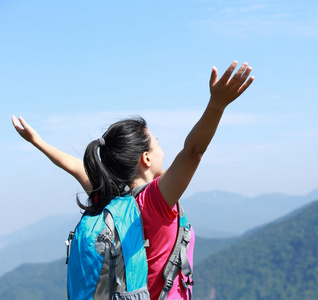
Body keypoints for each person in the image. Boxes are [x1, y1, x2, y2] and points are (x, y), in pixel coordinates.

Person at [12, 61, 254, 300]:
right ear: (146, 158)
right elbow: (193, 151)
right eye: (156, 141)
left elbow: (77, 168)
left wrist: (38, 142)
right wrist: (217, 105)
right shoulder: (156, 201)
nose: (162, 147)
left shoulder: (109, 199)